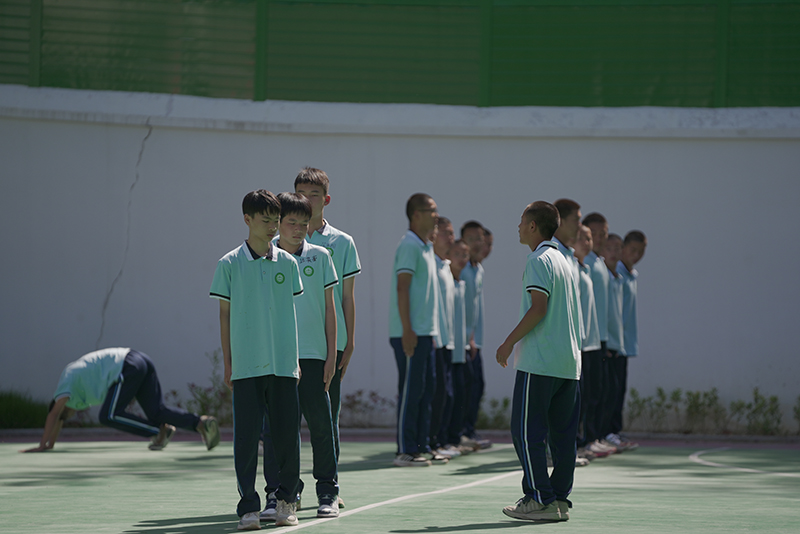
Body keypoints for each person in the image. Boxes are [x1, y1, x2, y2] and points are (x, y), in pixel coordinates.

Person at [210, 189, 304, 530]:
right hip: (247, 366)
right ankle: (248, 507)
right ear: (247, 220)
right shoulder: (228, 264)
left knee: (287, 437)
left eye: (275, 220)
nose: (272, 226)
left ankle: (285, 502)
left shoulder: (289, 264)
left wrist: (295, 362)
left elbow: (290, 313)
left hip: (283, 365)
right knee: (247, 439)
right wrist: (228, 362)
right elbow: (224, 316)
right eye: (265, 220)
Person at [496, 201, 581, 522]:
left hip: (541, 362)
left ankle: (538, 498)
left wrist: (508, 342)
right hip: (568, 365)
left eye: (522, 221)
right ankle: (558, 499)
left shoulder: (538, 259)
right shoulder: (565, 261)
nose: (518, 226)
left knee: (526, 432)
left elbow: (539, 308)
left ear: (533, 226)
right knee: (563, 437)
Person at [260, 193, 340, 522]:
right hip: (277, 358)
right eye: (291, 222)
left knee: (321, 426)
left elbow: (330, 309)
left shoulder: (321, 257)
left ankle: (328, 491)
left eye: (303, 224)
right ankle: (278, 493)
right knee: (275, 430)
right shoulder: (264, 256)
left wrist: (331, 355)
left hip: (313, 356)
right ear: (277, 223)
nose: (297, 229)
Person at [294, 168, 361, 505]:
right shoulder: (281, 240)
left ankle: (330, 487)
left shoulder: (341, 242)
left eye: (314, 194)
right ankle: (288, 489)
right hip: (290, 346)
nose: (307, 200)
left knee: (326, 419)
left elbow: (347, 297)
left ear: (327, 199)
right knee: (285, 422)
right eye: (301, 193)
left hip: (329, 346)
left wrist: (349, 343)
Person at [22, 347, 219, 453]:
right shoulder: (72, 388)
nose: (72, 414)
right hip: (140, 359)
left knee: (108, 415)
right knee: (156, 411)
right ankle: (201, 423)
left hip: (127, 365)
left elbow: (54, 415)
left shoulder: (65, 386)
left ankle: (157, 431)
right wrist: (50, 445)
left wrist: (41, 445)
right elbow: (59, 419)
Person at [389, 193, 441, 467]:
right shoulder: (409, 245)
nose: (436, 215)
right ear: (416, 215)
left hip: (425, 333)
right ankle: (405, 450)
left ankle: (422, 446)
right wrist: (407, 330)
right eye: (431, 211)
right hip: (409, 333)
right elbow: (403, 288)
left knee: (425, 390)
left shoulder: (425, 247)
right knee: (411, 392)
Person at [580, 212, 617, 457]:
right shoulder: (586, 263)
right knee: (588, 392)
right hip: (587, 338)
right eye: (595, 233)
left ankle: (594, 436)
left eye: (603, 233)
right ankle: (585, 439)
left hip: (600, 337)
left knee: (599, 390)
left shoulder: (599, 263)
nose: (600, 238)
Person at [612, 230, 647, 451]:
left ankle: (614, 431)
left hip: (624, 344)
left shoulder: (631, 274)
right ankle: (606, 432)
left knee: (619, 390)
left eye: (640, 252)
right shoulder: (615, 272)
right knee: (609, 391)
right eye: (632, 250)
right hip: (614, 343)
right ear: (623, 248)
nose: (636, 255)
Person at [572, 226, 604, 455]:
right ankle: (575, 443)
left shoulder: (586, 269)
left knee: (591, 395)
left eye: (589, 238)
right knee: (576, 399)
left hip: (591, 342)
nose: (586, 242)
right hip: (578, 344)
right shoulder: (571, 268)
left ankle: (587, 439)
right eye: (581, 238)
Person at [429, 217, 458, 459]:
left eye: (452, 233)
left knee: (446, 393)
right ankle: (429, 442)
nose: (451, 238)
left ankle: (439, 440)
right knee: (435, 393)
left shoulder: (445, 266)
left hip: (447, 341)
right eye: (446, 233)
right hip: (434, 340)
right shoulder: (429, 263)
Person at [460, 221, 488, 449]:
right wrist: (467, 337)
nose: (477, 243)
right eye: (471, 239)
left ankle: (469, 430)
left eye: (479, 239)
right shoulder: (460, 269)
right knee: (464, 388)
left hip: (475, 340)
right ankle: (460, 432)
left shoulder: (478, 269)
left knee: (477, 386)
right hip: (463, 340)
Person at [443, 239, 471, 455]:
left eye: (465, 255)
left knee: (461, 394)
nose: (462, 259)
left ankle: (455, 436)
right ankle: (443, 439)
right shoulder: (446, 281)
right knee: (447, 396)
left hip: (461, 349)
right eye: (457, 254)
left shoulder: (461, 283)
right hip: (448, 347)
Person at [601, 233, 628, 451]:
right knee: (604, 393)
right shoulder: (601, 276)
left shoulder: (619, 277)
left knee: (617, 390)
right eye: (609, 248)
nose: (613, 253)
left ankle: (612, 432)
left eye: (617, 248)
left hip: (618, 344)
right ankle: (602, 434)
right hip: (605, 344)